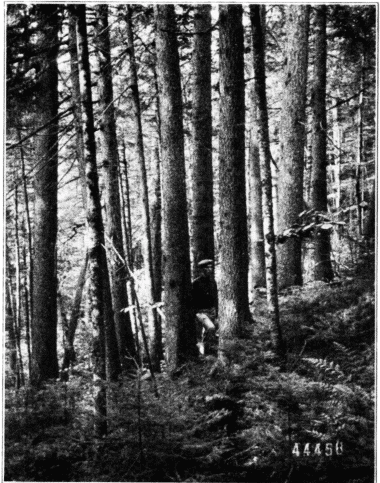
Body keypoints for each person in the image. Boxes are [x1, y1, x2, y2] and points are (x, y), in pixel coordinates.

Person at [192, 259, 218, 355]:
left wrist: (216, 312)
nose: (210, 269)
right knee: (210, 328)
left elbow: (215, 298)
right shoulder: (196, 283)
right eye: (207, 267)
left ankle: (210, 352)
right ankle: (205, 354)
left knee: (215, 330)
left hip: (211, 311)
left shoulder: (212, 282)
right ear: (202, 269)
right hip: (201, 312)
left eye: (211, 267)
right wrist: (196, 313)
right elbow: (192, 300)